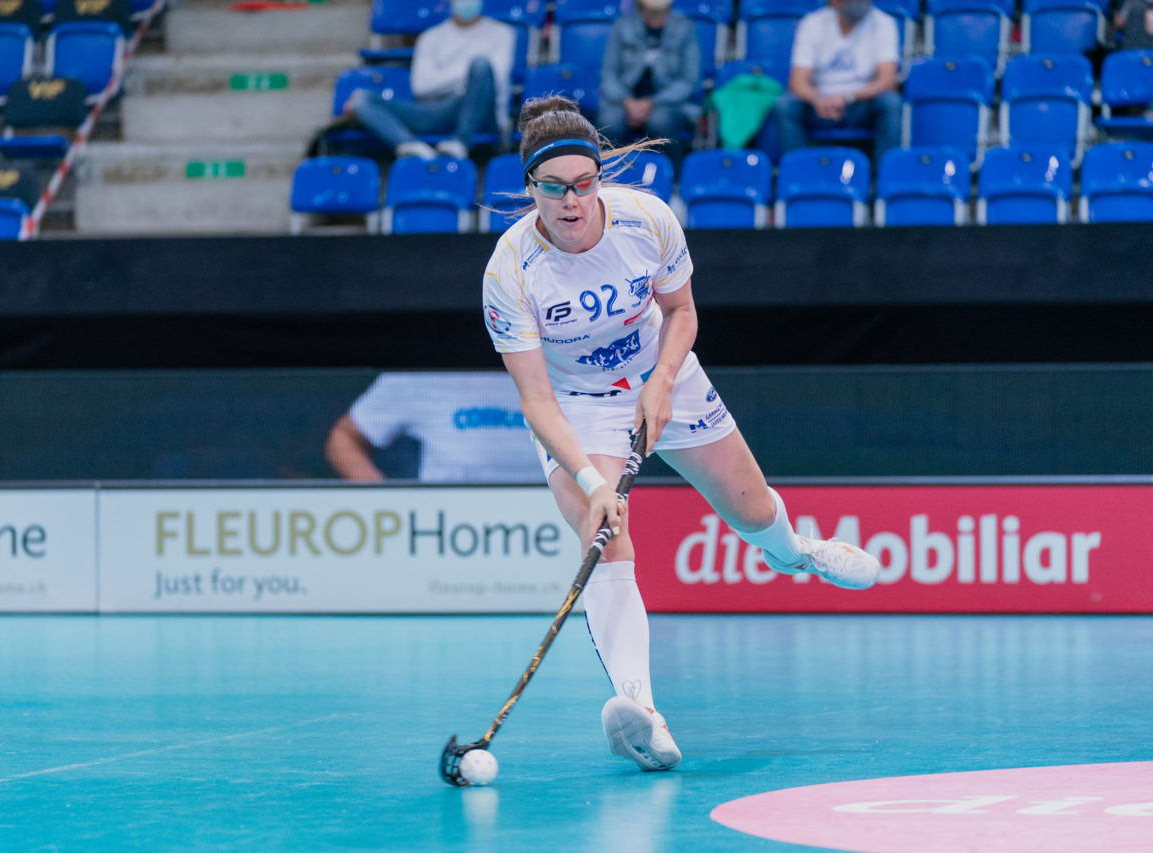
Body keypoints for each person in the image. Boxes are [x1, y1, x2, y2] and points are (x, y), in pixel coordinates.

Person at [481, 95, 881, 773]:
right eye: (555, 188)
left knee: (751, 509)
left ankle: (795, 554)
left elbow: (682, 310)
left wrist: (662, 379)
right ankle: (639, 706)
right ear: (532, 188)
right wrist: (590, 482)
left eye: (584, 184)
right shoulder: (509, 272)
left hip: (662, 374)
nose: (572, 202)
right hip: (577, 406)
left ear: (599, 177)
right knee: (604, 532)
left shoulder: (646, 219)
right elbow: (536, 398)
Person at [343, 0, 516, 161]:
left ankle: (461, 141)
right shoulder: (430, 37)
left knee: (481, 66)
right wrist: (469, 76)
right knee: (361, 98)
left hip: (484, 113)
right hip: (438, 110)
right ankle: (410, 145)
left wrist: (463, 75)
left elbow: (494, 78)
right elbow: (422, 87)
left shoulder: (502, 33)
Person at [324, 371, 543, 482]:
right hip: (452, 537)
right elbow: (344, 438)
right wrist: (386, 502)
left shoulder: (565, 365)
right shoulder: (423, 374)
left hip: (554, 535)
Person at [771, 0, 902, 163]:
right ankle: (799, 171)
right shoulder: (812, 23)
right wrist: (817, 99)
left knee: (891, 102)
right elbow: (797, 82)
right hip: (819, 104)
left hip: (860, 103)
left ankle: (882, 178)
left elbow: (887, 81)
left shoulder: (884, 23)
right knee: (784, 106)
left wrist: (847, 96)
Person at [597, 0, 701, 165]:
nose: (656, 16)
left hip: (668, 103)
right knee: (609, 121)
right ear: (640, 8)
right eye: (651, 11)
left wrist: (652, 102)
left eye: (661, 11)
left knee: (660, 122)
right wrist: (627, 101)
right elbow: (609, 74)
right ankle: (609, 176)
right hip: (624, 101)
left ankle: (671, 177)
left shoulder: (685, 28)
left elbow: (689, 81)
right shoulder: (622, 27)